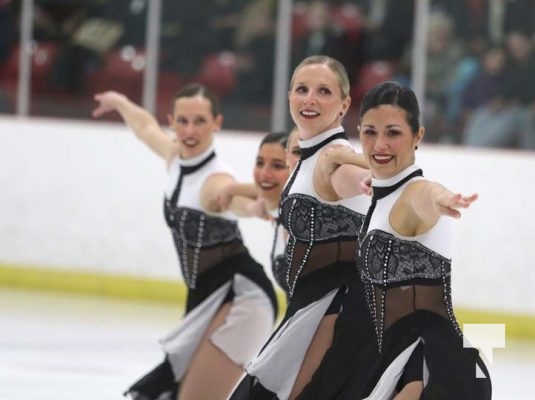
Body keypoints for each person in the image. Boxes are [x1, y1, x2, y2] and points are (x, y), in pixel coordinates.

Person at [91, 83, 278, 400]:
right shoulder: (174, 157)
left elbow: (233, 200)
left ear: (216, 123)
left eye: (200, 121)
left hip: (242, 298)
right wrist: (121, 102)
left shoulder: (215, 179)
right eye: (183, 121)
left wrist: (256, 205)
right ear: (172, 121)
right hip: (207, 299)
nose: (190, 131)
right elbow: (145, 128)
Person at [230, 55, 375, 400]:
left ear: (344, 105)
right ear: (289, 96)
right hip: (313, 309)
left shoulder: (334, 157)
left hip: (332, 311)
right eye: (302, 89)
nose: (310, 98)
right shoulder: (307, 158)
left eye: (324, 91)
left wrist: (369, 176)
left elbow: (350, 177)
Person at [343, 81, 492, 399]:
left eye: (393, 133)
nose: (380, 144)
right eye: (370, 132)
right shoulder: (383, 195)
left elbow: (425, 195)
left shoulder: (413, 193)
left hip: (436, 366)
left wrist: (442, 198)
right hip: (403, 361)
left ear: (418, 136)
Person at [219, 131, 293, 296]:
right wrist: (232, 189)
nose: (264, 173)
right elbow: (247, 196)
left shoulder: (303, 216)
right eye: (260, 163)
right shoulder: (279, 206)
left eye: (278, 165)